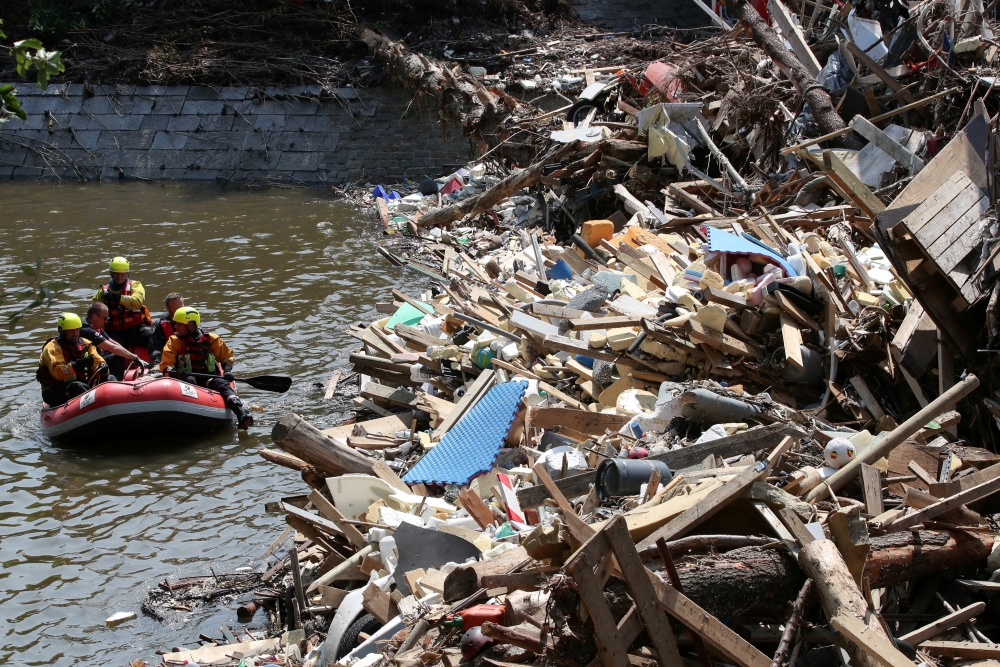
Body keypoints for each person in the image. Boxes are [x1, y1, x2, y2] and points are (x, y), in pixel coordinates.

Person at [159, 306, 253, 429]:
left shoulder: (211, 339)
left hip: (208, 377)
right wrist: (176, 372)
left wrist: (228, 370)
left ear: (191, 324)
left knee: (222, 383)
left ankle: (241, 414)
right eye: (175, 323)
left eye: (179, 324)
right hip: (186, 378)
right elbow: (166, 364)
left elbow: (226, 356)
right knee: (191, 381)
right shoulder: (174, 341)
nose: (175, 326)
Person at [37, 313, 115, 406]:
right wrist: (76, 366)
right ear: (61, 331)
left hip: (82, 383)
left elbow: (98, 361)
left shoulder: (85, 343)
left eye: (77, 329)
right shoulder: (52, 347)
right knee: (77, 387)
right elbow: (57, 372)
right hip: (56, 389)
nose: (75, 334)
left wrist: (101, 368)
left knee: (110, 378)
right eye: (71, 331)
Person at [92, 256, 153, 353]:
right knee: (110, 349)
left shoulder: (135, 285)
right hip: (116, 331)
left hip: (137, 329)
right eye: (116, 273)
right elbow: (93, 311)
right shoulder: (103, 292)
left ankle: (157, 363)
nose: (119, 276)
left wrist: (117, 298)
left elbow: (137, 302)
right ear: (111, 273)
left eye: (122, 273)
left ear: (127, 273)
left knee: (153, 337)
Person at [82, 303, 148, 379]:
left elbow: (112, 342)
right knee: (117, 357)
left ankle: (117, 379)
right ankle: (117, 383)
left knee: (118, 355)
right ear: (94, 317)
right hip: (88, 363)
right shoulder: (87, 330)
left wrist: (133, 356)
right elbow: (113, 348)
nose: (106, 321)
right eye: (105, 318)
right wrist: (134, 357)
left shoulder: (95, 326)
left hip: (95, 359)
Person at [148, 292, 184, 366]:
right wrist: (157, 361)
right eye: (177, 308)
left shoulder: (191, 322)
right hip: (169, 359)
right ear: (168, 309)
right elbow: (155, 347)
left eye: (182, 307)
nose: (181, 311)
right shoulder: (159, 325)